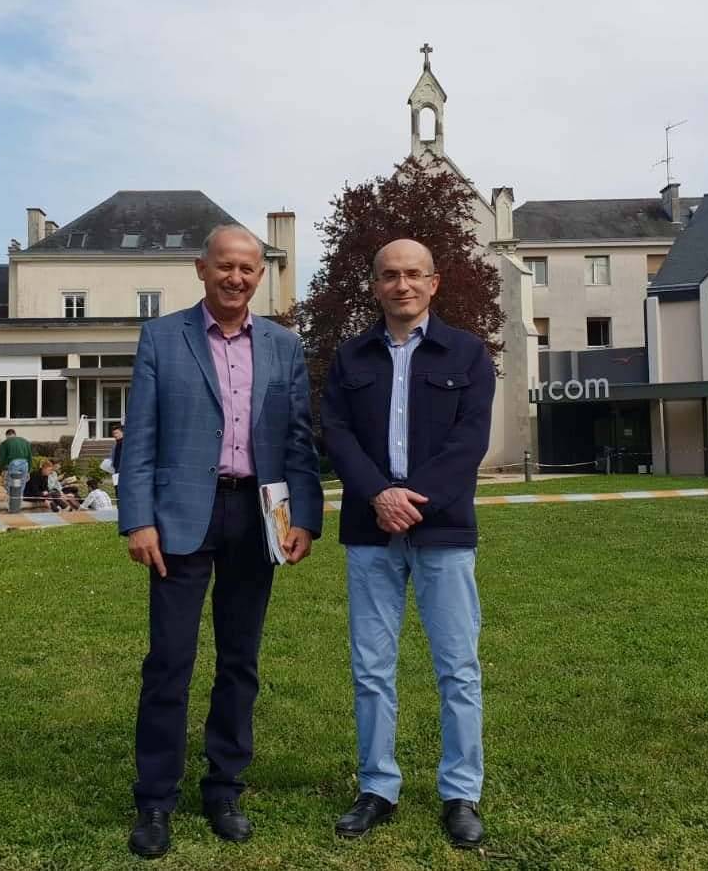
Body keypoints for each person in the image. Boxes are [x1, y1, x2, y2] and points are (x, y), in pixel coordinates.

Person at [118, 223, 324, 859]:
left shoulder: (285, 346)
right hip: (181, 516)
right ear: (201, 268)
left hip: (257, 516)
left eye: (248, 269)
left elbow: (298, 438)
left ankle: (224, 788)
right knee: (169, 661)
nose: (237, 278)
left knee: (240, 660)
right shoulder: (161, 337)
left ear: (260, 276)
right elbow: (141, 435)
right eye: (226, 266)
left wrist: (304, 518)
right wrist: (137, 519)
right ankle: (156, 799)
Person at [320, 238, 495, 848]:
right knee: (371, 667)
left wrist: (411, 500)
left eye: (414, 274)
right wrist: (378, 495)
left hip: (442, 529)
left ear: (433, 282)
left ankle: (461, 792)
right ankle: (377, 786)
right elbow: (337, 433)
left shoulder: (468, 353)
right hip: (370, 531)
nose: (403, 285)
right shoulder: (350, 356)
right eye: (390, 275)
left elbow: (469, 442)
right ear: (375, 285)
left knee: (458, 667)